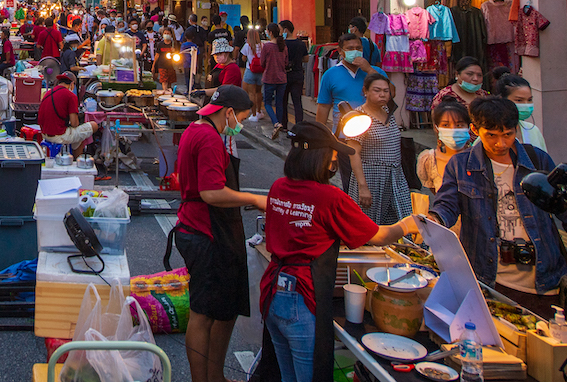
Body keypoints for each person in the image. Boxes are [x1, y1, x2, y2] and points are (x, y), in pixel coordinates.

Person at [261, 120, 419, 382]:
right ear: (319, 158)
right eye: (332, 157)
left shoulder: (278, 187)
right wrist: (408, 225)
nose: (334, 164)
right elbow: (379, 236)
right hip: (303, 298)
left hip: (273, 293)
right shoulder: (330, 197)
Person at [431, 96, 567, 316]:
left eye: (507, 135)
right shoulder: (461, 165)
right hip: (488, 280)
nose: (500, 144)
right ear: (475, 129)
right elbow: (447, 204)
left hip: (543, 282)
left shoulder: (538, 161)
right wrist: (433, 220)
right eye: (491, 135)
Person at [168, 85, 265, 382]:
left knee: (223, 310)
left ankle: (215, 376)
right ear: (229, 113)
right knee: (204, 312)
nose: (241, 126)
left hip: (203, 227)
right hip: (205, 231)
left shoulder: (195, 130)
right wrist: (255, 199)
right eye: (242, 118)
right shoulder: (209, 138)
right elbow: (210, 193)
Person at [344, 74, 411, 225]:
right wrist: (363, 186)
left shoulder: (389, 112)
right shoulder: (358, 117)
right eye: (377, 90)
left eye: (386, 91)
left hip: (395, 176)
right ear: (365, 91)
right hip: (371, 176)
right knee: (368, 224)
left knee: (402, 221)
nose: (382, 94)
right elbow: (354, 153)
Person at [315, 32, 386, 131]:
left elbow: (391, 93)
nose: (355, 52)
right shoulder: (330, 75)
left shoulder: (376, 72)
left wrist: (369, 70)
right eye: (350, 49)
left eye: (358, 48)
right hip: (343, 133)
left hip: (375, 133)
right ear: (340, 51)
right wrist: (319, 134)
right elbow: (323, 106)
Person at [416, 98, 472, 193]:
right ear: (437, 128)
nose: (453, 130)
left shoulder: (479, 157)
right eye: (446, 125)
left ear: (469, 127)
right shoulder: (429, 160)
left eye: (459, 125)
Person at [38, 72, 100, 152]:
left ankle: (74, 157)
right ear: (72, 84)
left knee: (79, 135)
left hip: (44, 134)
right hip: (59, 135)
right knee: (93, 126)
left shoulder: (48, 93)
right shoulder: (70, 96)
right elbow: (74, 124)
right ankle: (78, 159)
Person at [494, 74, 546, 151]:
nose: (526, 105)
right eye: (519, 100)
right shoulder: (488, 134)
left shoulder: (533, 131)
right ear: (502, 100)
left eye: (529, 100)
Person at [259, 26, 289, 132]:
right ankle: (279, 123)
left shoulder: (267, 47)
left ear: (270, 32)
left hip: (269, 77)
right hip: (282, 78)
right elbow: (286, 62)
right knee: (279, 102)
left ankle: (275, 122)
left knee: (267, 102)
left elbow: (262, 63)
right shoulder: (283, 46)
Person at [279, 20, 308, 125]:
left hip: (284, 75)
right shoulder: (301, 44)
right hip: (297, 74)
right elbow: (306, 59)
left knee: (283, 101)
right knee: (297, 102)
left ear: (285, 29)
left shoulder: (282, 44)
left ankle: (284, 124)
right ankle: (299, 126)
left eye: (280, 30)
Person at [153, 27, 180, 93]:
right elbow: (157, 55)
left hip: (171, 65)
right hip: (161, 65)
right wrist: (153, 65)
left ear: (171, 35)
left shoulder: (174, 44)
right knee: (164, 80)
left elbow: (178, 55)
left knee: (170, 81)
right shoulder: (160, 44)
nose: (166, 34)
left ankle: (169, 92)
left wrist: (174, 52)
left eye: (168, 33)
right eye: (165, 33)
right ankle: (164, 92)